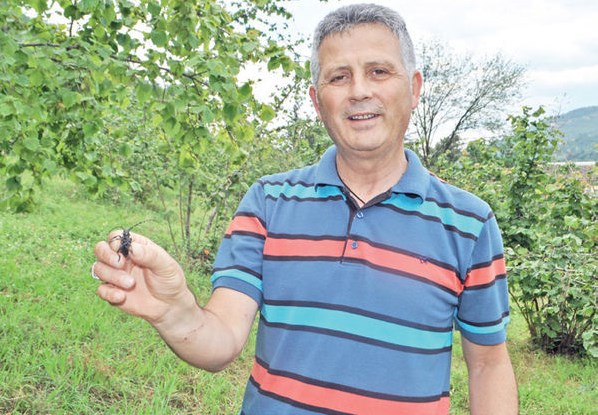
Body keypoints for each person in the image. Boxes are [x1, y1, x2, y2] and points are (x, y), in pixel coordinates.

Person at [92, 3, 518, 414]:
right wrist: (174, 311)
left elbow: (488, 365)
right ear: (317, 101)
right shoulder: (268, 202)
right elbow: (220, 342)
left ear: (414, 88)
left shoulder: (469, 224)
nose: (359, 91)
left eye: (379, 71)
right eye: (339, 77)